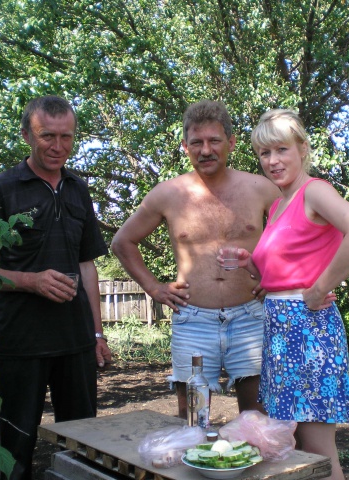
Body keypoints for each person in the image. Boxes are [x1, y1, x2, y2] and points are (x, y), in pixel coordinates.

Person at [218, 109, 349, 480]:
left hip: (309, 330)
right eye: (264, 153)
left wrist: (321, 286)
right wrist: (250, 264)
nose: (272, 161)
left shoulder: (315, 191)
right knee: (293, 452)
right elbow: (282, 276)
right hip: (280, 334)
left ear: (302, 148)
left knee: (317, 451)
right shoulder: (278, 205)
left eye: (281, 149)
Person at [111, 100, 280, 419]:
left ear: (231, 142)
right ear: (185, 146)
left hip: (252, 317)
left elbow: (295, 237)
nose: (206, 150)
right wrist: (154, 287)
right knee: (193, 421)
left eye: (214, 141)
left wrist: (277, 278)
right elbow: (122, 242)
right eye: (196, 142)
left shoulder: (261, 189)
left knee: (258, 422)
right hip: (193, 321)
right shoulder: (168, 194)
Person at [0, 95, 111, 480]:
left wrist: (97, 333)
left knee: (83, 446)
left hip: (75, 342)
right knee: (13, 448)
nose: (58, 146)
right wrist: (31, 281)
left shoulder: (78, 189)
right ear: (26, 135)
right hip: (20, 342)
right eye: (46, 136)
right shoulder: (0, 189)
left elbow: (87, 265)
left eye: (66, 136)